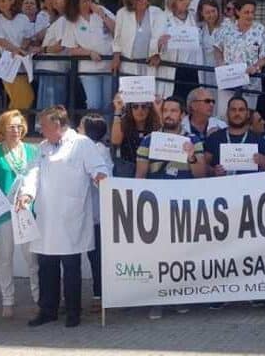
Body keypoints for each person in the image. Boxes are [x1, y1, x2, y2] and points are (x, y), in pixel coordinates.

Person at [18, 106, 110, 328]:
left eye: (44, 126)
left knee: (71, 267)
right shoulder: (42, 147)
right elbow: (33, 173)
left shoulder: (82, 143)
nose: (41, 130)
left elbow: (99, 168)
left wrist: (100, 177)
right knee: (46, 265)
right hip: (47, 216)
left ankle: (73, 312)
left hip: (71, 215)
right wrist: (27, 193)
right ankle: (47, 310)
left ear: (57, 125)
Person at [136, 97, 205, 320]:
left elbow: (202, 175)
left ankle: (178, 297)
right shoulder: (148, 141)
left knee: (182, 254)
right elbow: (140, 175)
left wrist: (191, 155)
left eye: (174, 111)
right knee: (157, 255)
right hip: (157, 206)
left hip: (184, 206)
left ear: (182, 115)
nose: (169, 114)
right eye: (166, 110)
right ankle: (157, 300)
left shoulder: (193, 139)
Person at [0, 110, 39, 319]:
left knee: (32, 258)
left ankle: (38, 298)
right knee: (5, 258)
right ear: (2, 129)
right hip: (2, 215)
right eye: (11, 126)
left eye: (18, 126)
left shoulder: (33, 151)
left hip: (26, 212)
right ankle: (7, 300)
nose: (15, 130)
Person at [61, 0, 116, 114]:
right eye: (84, 1)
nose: (88, 4)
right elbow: (70, 49)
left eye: (89, 0)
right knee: (94, 102)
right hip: (89, 68)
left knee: (109, 103)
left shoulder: (101, 10)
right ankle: (94, 131)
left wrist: (102, 15)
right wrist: (89, 52)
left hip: (109, 65)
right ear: (76, 4)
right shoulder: (71, 20)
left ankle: (108, 132)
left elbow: (117, 30)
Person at [212, 0, 265, 114]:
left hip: (250, 83)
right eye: (246, 12)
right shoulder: (226, 28)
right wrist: (220, 63)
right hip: (228, 80)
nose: (250, 15)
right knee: (225, 114)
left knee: (247, 116)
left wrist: (256, 67)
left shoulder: (260, 29)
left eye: (252, 12)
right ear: (237, 12)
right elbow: (217, 47)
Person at [78, 113, 112, 314]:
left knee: (96, 256)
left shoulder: (98, 151)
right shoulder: (88, 149)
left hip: (96, 213)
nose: (77, 130)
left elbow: (102, 179)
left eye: (81, 126)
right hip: (85, 212)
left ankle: (100, 295)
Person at [0, 0, 38, 110]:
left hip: (23, 64)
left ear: (12, 1)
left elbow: (28, 37)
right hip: (8, 63)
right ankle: (11, 124)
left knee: (23, 98)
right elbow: (0, 40)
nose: (0, 4)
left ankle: (13, 124)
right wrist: (16, 50)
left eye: (3, 1)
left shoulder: (22, 18)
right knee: (25, 98)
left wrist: (21, 49)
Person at [111, 0, 166, 81]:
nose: (142, 1)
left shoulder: (157, 13)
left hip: (149, 64)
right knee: (128, 94)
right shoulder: (122, 13)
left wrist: (157, 54)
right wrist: (116, 57)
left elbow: (162, 37)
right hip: (128, 63)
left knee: (147, 95)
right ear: (131, 0)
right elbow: (117, 38)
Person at [205, 96, 265, 177]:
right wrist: (213, 171)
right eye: (233, 110)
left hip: (250, 188)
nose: (237, 113)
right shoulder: (214, 137)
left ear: (247, 113)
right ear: (227, 112)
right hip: (220, 187)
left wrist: (263, 161)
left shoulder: (259, 139)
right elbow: (204, 166)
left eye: (241, 110)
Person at [157, 0, 200, 100]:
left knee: (192, 104)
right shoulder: (163, 17)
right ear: (173, 0)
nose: (186, 2)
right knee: (173, 104)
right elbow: (154, 46)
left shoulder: (193, 17)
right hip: (172, 69)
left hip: (191, 69)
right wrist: (160, 43)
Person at [111, 93, 160, 177]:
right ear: (130, 108)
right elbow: (115, 141)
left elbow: (164, 134)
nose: (140, 110)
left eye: (144, 106)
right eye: (135, 106)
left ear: (149, 109)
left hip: (149, 173)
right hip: (126, 172)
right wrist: (118, 109)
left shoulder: (156, 126)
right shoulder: (123, 123)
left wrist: (158, 109)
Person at [35, 8, 69, 112]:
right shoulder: (55, 23)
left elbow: (60, 45)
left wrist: (42, 49)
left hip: (53, 69)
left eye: (48, 13)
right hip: (50, 69)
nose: (48, 16)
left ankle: (49, 126)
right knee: (47, 105)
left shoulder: (62, 21)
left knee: (50, 105)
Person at [197, 0, 223, 88]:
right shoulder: (201, 28)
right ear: (201, 13)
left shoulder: (226, 27)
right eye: (207, 12)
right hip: (205, 70)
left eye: (213, 11)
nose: (211, 15)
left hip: (221, 70)